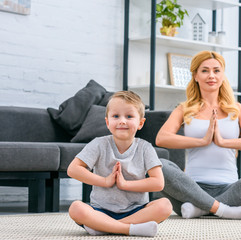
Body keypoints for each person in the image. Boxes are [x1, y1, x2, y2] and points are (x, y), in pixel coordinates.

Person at [155, 50, 241, 220]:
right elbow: (161, 138)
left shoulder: (236, 109)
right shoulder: (184, 109)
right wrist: (202, 141)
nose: (211, 76)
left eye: (216, 70)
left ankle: (203, 209)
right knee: (159, 165)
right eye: (205, 70)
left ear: (223, 75)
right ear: (195, 76)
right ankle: (226, 210)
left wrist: (223, 142)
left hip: (230, 189)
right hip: (192, 189)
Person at [67, 90, 172, 237]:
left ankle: (104, 228)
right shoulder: (98, 144)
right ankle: (129, 229)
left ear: (140, 123)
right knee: (76, 208)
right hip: (101, 211)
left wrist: (125, 185)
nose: (122, 121)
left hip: (136, 211)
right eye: (116, 116)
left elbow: (158, 183)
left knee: (165, 205)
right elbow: (73, 169)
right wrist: (105, 181)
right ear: (107, 122)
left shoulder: (145, 148)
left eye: (129, 116)